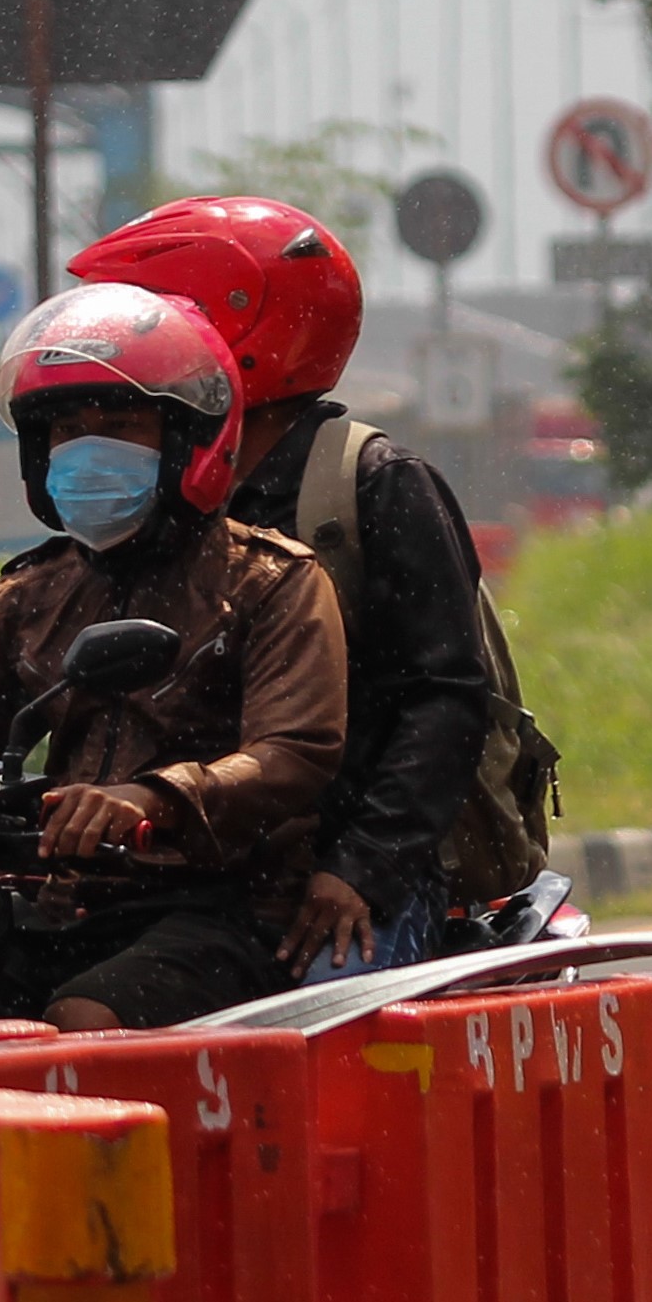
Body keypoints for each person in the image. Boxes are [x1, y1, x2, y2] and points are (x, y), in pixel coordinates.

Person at [69, 196, 495, 978]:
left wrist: (360, 870)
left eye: (163, 324)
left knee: (314, 1053)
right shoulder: (159, 491)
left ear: (237, 327)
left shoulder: (370, 486)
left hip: (342, 877)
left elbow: (444, 701)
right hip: (186, 871)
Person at [0, 281, 348, 1031]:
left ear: (191, 442)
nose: (87, 449)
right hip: (56, 903)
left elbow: (293, 751)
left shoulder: (271, 581)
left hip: (221, 906)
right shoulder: (31, 595)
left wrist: (150, 799)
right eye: (65, 430)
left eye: (121, 425)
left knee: (85, 1017)